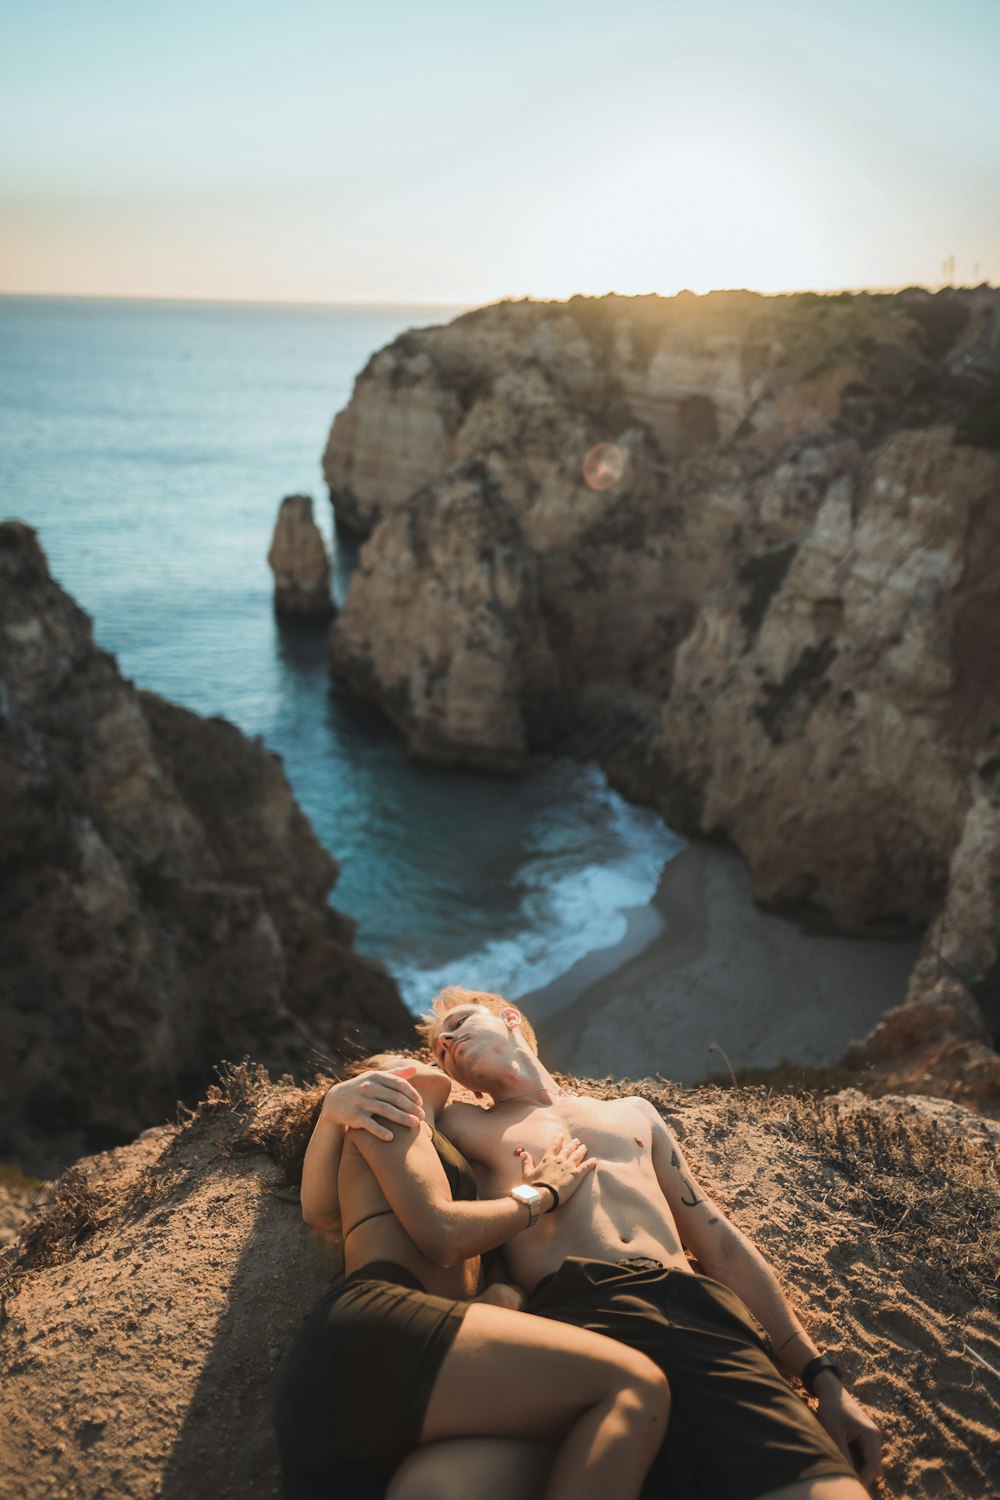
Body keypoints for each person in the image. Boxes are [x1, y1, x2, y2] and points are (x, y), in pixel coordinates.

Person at [319, 991, 884, 1500]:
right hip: (582, 1323)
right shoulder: (461, 1124)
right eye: (441, 1046)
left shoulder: (634, 1113)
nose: (446, 1042)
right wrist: (337, 1103)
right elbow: (366, 1145)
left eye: (460, 1022)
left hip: (702, 1317)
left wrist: (823, 1379)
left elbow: (719, 1242)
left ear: (512, 1020)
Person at [276, 1052, 670, 1500]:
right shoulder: (392, 1111)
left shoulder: (420, 1143)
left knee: (500, 1470)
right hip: (384, 1324)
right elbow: (442, 1235)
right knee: (633, 1384)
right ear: (369, 1081)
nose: (418, 1056)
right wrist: (542, 1194)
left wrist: (502, 1293)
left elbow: (321, 1210)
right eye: (394, 1056)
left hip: (380, 1360)